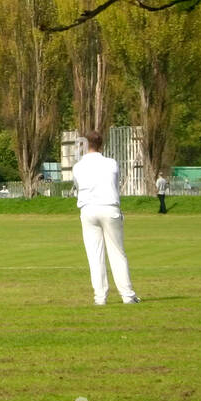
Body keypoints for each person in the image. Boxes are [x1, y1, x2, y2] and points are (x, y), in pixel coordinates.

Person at [73, 130, 140, 305]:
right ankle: (127, 295)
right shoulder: (111, 163)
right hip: (109, 207)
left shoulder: (78, 166)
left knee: (95, 256)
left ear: (86, 145)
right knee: (117, 253)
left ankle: (100, 297)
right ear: (101, 144)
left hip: (88, 209)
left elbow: (77, 185)